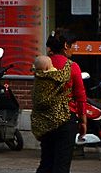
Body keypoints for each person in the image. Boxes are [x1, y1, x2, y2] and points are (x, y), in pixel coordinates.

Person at [35, 29, 87, 173]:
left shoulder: (42, 65)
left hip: (45, 120)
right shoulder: (72, 67)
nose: (73, 49)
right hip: (65, 120)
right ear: (65, 45)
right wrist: (83, 121)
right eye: (72, 45)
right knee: (61, 165)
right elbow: (80, 96)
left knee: (46, 163)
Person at [31, 54, 72, 143]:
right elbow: (64, 75)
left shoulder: (37, 77)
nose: (54, 67)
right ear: (46, 69)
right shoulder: (51, 76)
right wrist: (68, 64)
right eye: (52, 65)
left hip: (39, 120)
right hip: (53, 118)